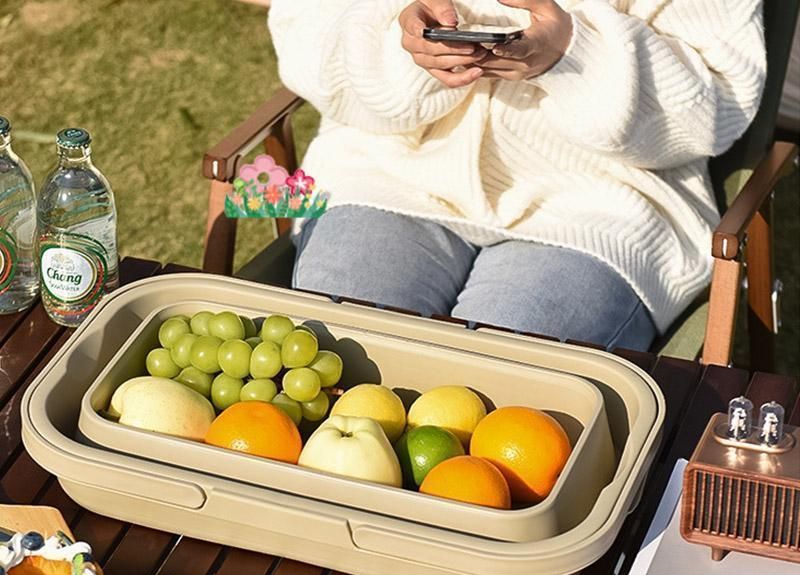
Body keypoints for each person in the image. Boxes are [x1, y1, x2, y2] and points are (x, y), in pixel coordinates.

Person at [268, 0, 766, 349]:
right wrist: (405, 53)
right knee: (339, 354)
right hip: (385, 173)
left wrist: (574, 54)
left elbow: (713, 106)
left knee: (499, 394)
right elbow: (308, 34)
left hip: (602, 206)